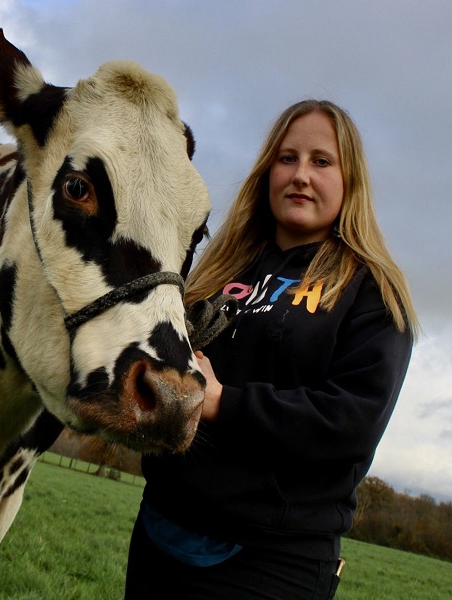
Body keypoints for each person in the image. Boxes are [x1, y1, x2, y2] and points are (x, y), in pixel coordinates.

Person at [125, 99, 419, 599]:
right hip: (161, 532)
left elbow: (352, 420)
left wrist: (223, 402)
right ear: (267, 172)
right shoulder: (219, 271)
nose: (301, 174)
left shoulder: (371, 291)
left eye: (321, 161)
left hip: (272, 560)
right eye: (287, 158)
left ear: (351, 181)